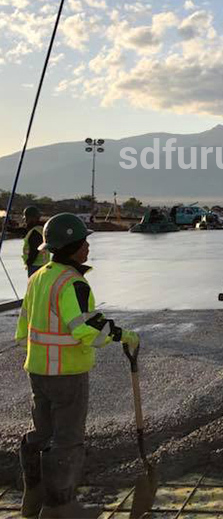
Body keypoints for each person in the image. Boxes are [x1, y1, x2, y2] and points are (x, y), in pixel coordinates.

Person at [14, 213, 140, 519]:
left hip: (38, 370)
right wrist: (125, 336)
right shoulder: (73, 283)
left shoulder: (39, 277)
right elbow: (85, 328)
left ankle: (34, 496)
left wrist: (41, 355)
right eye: (84, 242)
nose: (87, 248)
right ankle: (60, 507)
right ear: (71, 246)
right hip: (67, 374)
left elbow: (22, 330)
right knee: (67, 440)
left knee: (42, 434)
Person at [22, 206, 49, 279]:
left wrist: (29, 262)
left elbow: (34, 250)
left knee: (34, 288)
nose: (25, 221)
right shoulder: (39, 229)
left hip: (36, 266)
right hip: (43, 264)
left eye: (26, 219)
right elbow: (23, 231)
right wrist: (8, 228)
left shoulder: (35, 232)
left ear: (32, 218)